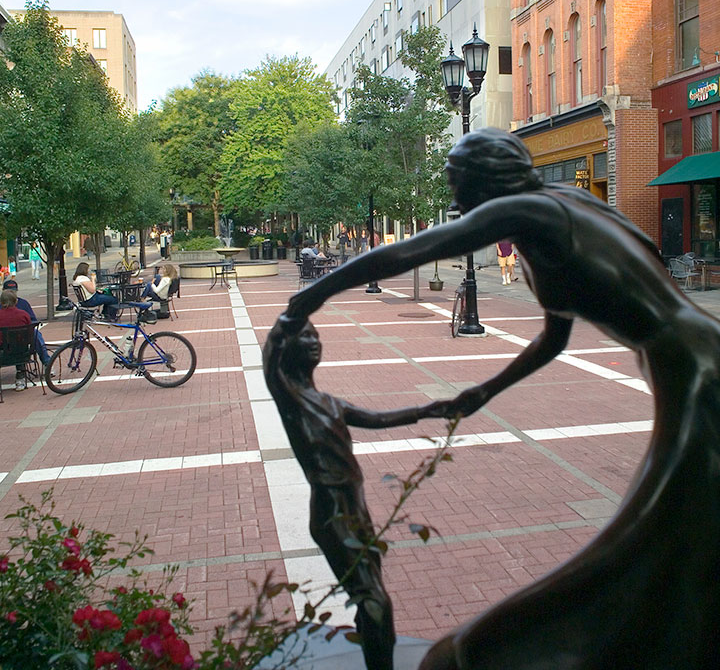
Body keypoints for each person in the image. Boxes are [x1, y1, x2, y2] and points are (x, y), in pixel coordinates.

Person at [285, 127, 720, 669]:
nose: (456, 200)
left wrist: (309, 296)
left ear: (481, 180)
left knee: (654, 541)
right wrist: (482, 391)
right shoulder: (561, 209)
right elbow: (553, 338)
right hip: (692, 359)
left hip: (696, 368)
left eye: (455, 184)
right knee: (672, 535)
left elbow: (413, 250)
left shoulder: (530, 211)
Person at [263, 319, 447, 670]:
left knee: (371, 596)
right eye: (305, 337)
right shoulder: (291, 399)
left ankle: (376, 656)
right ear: (289, 347)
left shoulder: (329, 402)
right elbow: (271, 351)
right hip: (332, 512)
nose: (315, 341)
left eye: (317, 335)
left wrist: (427, 410)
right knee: (375, 601)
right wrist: (298, 311)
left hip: (356, 507)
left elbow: (376, 419)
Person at [2, 279, 51, 368]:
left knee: (35, 334)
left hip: (4, 343)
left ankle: (46, 362)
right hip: (21, 342)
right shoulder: (23, 313)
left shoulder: (23, 304)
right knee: (35, 334)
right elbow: (31, 323)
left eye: (13, 291)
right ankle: (47, 363)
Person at [0, 288, 33, 391]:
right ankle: (21, 377)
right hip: (22, 353)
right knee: (19, 343)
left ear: (1, 302)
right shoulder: (24, 315)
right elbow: (30, 335)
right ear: (16, 301)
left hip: (3, 354)